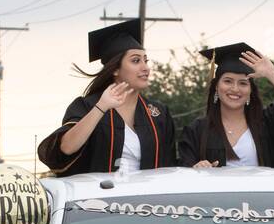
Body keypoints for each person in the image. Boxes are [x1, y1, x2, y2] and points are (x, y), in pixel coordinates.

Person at [37, 18, 177, 175]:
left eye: (146, 60)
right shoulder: (87, 106)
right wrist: (101, 107)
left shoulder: (158, 113)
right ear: (115, 70)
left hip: (147, 198)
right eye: (136, 61)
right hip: (99, 197)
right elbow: (66, 148)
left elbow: (170, 165)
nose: (146, 68)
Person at [178, 43, 274, 169]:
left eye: (243, 83)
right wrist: (197, 169)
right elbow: (185, 173)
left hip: (266, 197)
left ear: (251, 90)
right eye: (228, 81)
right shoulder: (197, 131)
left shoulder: (270, 121)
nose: (235, 89)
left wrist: (272, 73)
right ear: (216, 87)